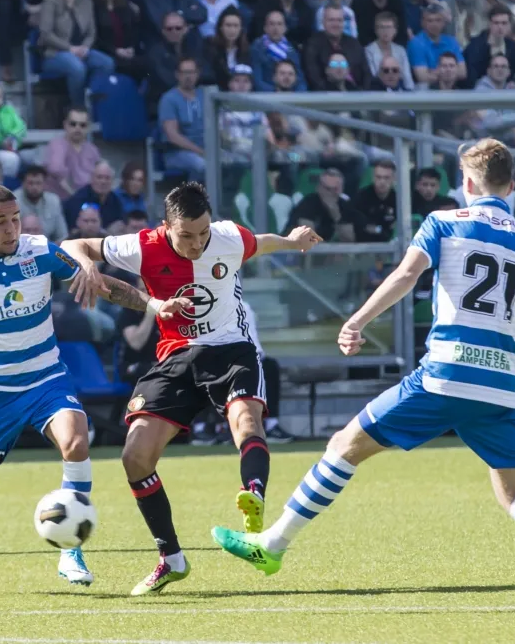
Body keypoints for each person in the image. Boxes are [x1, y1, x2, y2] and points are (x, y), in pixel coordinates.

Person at [209, 138, 515, 612]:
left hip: (443, 375)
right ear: (511, 187)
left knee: (344, 446)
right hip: (500, 385)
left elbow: (405, 277)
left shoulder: (444, 222)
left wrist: (356, 321)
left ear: (466, 183)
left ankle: (273, 545)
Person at [0, 183, 191, 587]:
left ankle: (70, 551)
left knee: (77, 440)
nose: (11, 228)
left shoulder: (40, 251)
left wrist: (152, 304)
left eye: (15, 219)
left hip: (46, 377)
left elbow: (102, 284)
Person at [61, 181, 322, 595]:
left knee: (246, 421)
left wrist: (292, 241)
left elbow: (263, 242)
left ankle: (253, 494)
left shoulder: (228, 237)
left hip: (231, 350)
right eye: (187, 235)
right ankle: (171, 559)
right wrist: (87, 266)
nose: (198, 243)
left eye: (203, 232)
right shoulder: (142, 246)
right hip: (176, 357)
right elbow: (72, 244)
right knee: (135, 457)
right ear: (167, 227)